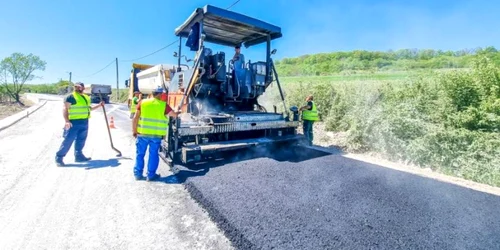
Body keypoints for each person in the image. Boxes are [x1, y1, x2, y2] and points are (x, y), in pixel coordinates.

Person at [132, 87, 178, 181]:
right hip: (155, 136)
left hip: (142, 135)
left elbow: (135, 118)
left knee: (140, 154)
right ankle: (150, 175)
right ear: (160, 94)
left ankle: (137, 175)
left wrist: (134, 131)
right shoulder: (163, 105)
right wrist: (178, 110)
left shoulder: (143, 102)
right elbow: (174, 115)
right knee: (153, 155)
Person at [55, 82, 104, 166]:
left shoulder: (86, 97)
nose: (77, 88)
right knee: (68, 140)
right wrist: (67, 121)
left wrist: (99, 105)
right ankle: (59, 157)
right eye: (76, 87)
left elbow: (89, 109)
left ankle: (79, 156)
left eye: (79, 87)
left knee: (81, 140)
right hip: (73, 122)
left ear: (83, 88)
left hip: (84, 121)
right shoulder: (70, 96)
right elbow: (65, 109)